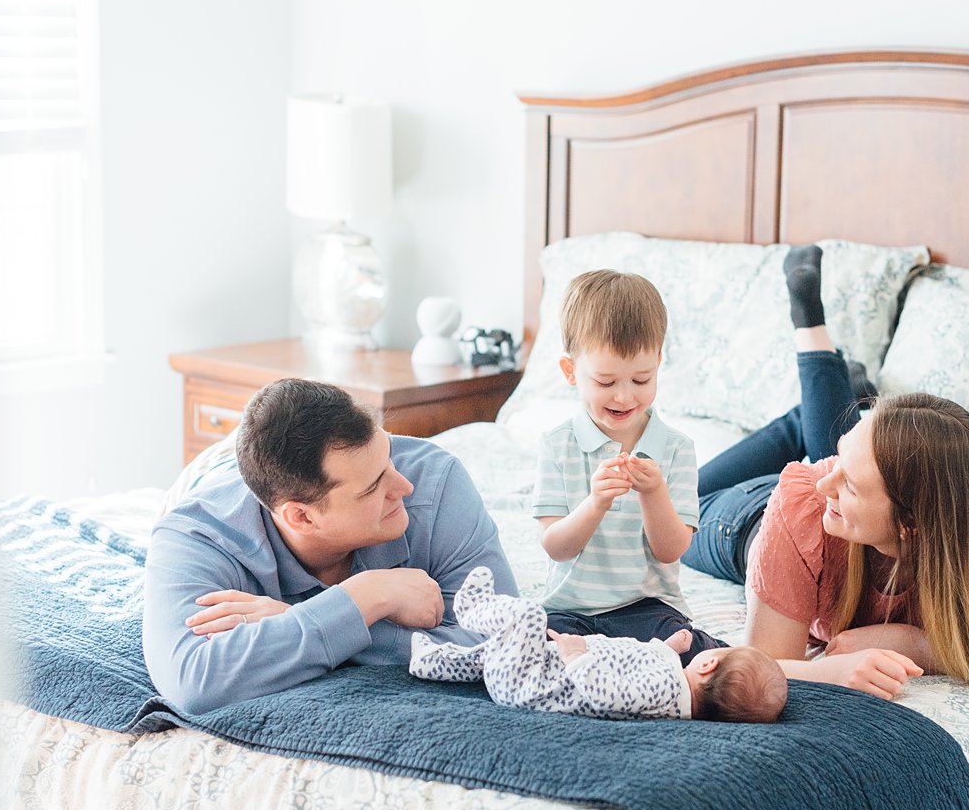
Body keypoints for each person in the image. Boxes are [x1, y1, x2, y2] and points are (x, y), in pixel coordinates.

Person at [683, 246, 969, 701]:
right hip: (748, 523)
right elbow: (763, 665)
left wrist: (920, 643)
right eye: (843, 460)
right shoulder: (807, 500)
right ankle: (815, 374)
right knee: (675, 502)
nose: (825, 482)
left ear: (912, 523)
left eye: (852, 483)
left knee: (842, 466)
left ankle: (825, 405)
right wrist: (837, 669)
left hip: (852, 515)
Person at [142, 378, 518, 713]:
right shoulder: (192, 534)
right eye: (373, 487)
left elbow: (502, 642)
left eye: (388, 457)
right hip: (220, 476)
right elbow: (193, 683)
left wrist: (295, 618)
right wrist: (367, 597)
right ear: (302, 518)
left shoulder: (436, 483)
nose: (403, 486)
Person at [532, 269, 721, 665]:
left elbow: (671, 551)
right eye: (604, 382)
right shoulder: (557, 445)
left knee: (708, 662)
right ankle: (629, 669)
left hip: (648, 608)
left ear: (658, 364)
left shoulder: (676, 450)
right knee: (532, 651)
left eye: (641, 378)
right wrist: (595, 503)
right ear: (570, 372)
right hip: (573, 611)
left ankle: (637, 667)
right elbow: (556, 547)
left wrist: (653, 493)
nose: (623, 395)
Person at [410, 567, 787, 722]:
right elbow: (641, 663)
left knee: (528, 619)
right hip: (540, 671)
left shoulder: (665, 688)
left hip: (529, 686)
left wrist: (576, 658)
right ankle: (435, 662)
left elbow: (610, 694)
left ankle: (473, 610)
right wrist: (669, 647)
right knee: (493, 654)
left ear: (706, 665)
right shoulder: (674, 689)